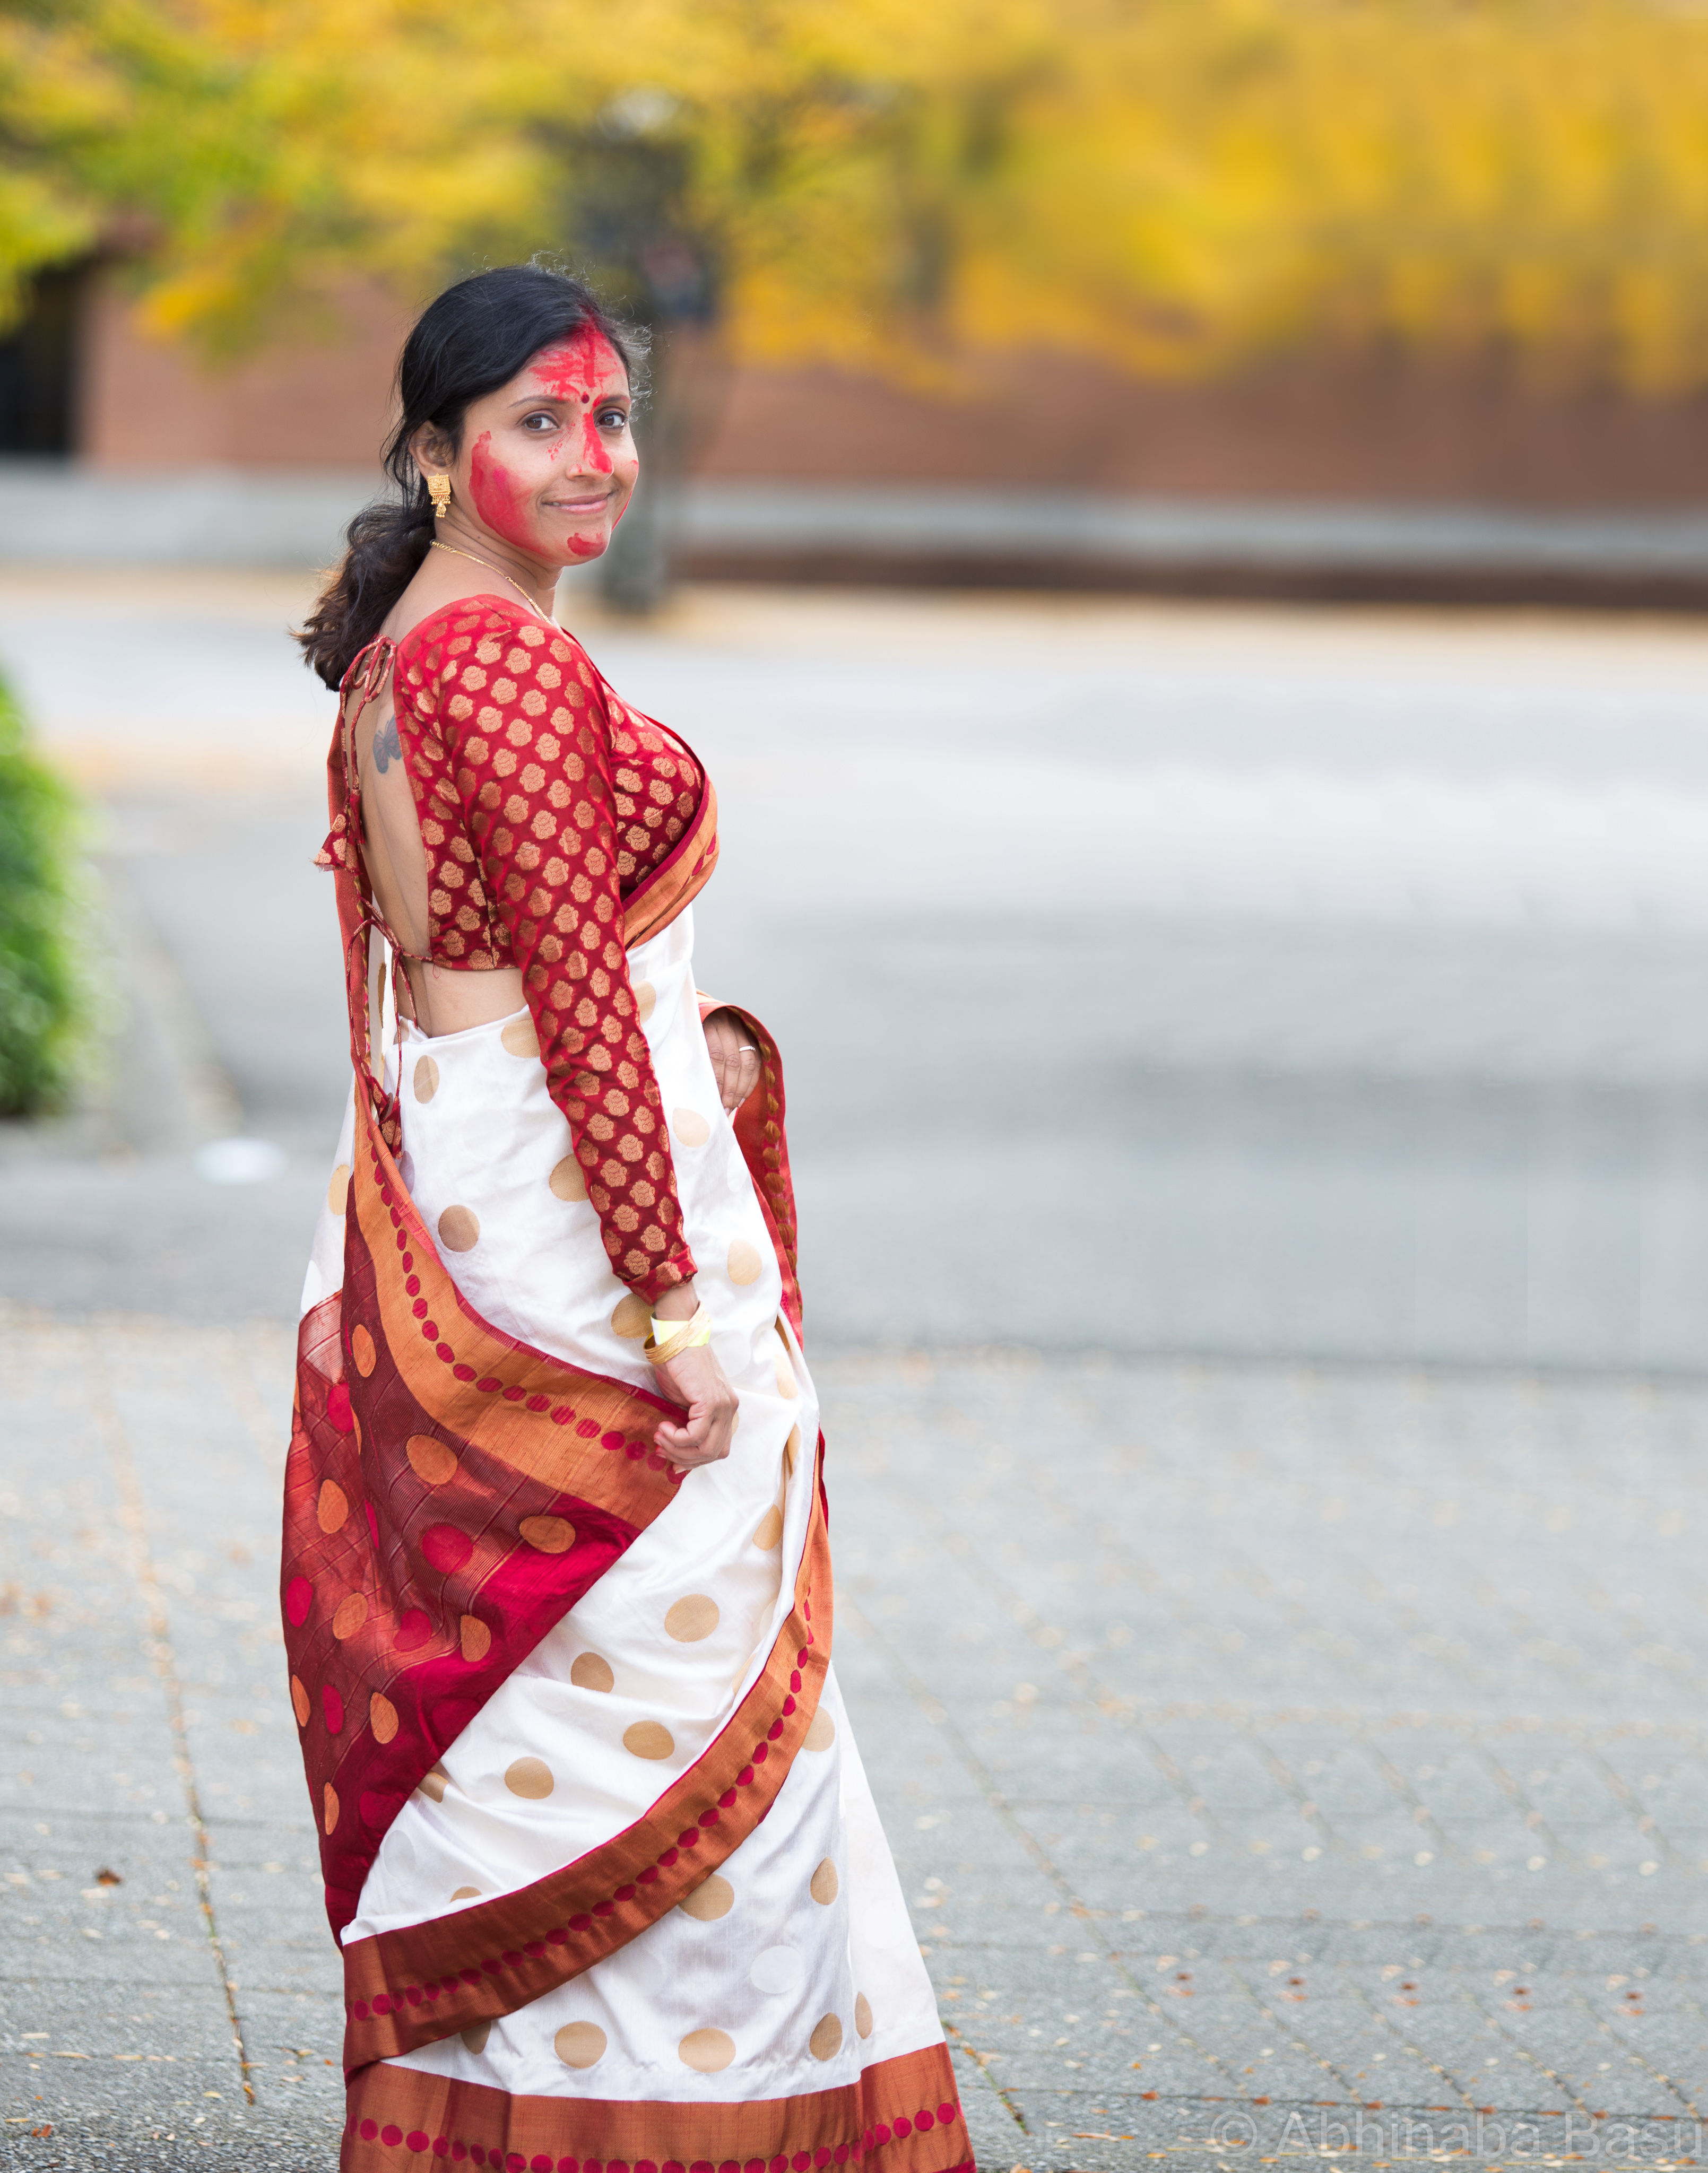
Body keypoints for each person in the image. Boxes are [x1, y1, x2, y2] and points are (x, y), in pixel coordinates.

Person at [284, 263, 970, 2173]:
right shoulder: (496, 659)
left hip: (480, 1177)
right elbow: (575, 995)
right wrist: (676, 1308)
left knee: (573, 1669)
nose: (593, 456)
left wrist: (697, 1048)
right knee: (666, 1656)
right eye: (540, 420)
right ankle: (676, 2120)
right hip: (568, 1217)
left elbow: (480, 967)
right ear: (437, 452)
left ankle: (527, 2107)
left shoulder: (410, 646)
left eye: (610, 417)